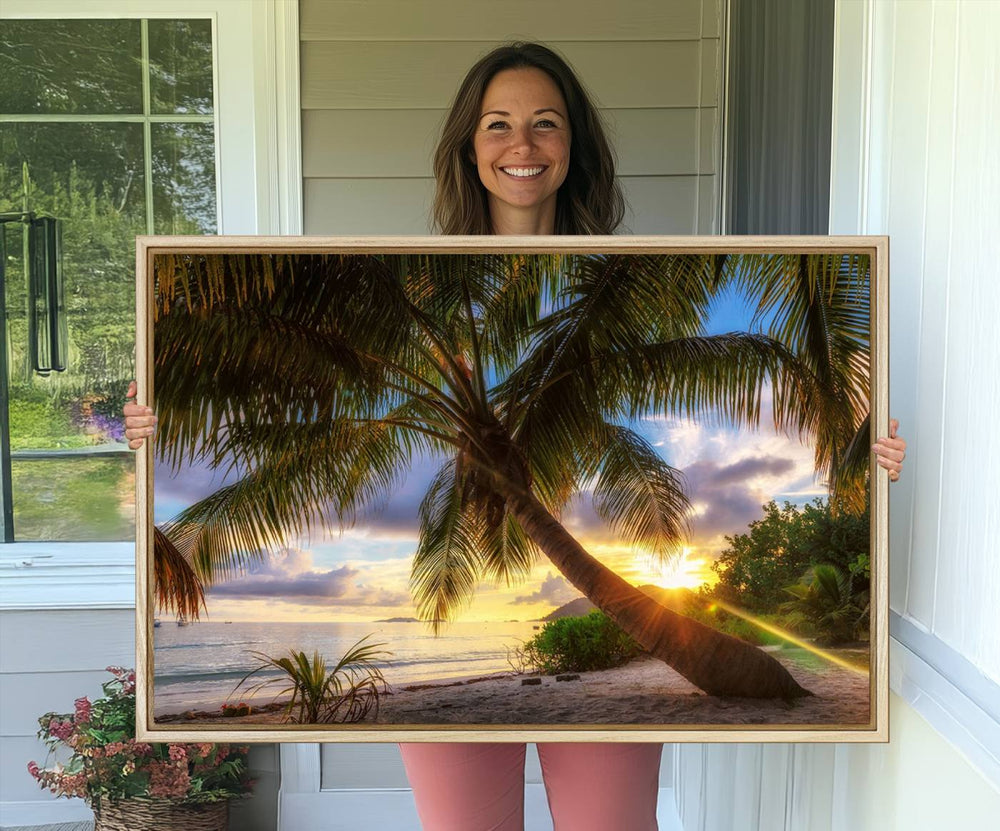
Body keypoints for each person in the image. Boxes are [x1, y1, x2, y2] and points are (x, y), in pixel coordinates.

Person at [124, 41, 907, 831]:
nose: (522, 145)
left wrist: (865, 462)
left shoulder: (636, 273)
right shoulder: (408, 280)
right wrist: (150, 428)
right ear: (470, 146)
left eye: (545, 123)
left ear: (574, 147)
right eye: (498, 124)